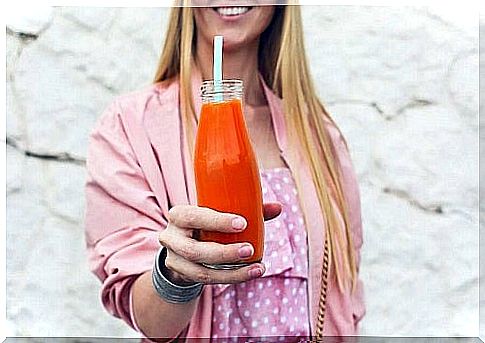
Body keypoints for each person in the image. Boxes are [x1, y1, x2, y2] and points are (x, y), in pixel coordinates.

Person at [85, 3, 365, 342]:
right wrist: (174, 273)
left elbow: (344, 295)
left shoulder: (319, 135)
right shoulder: (130, 127)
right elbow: (150, 319)